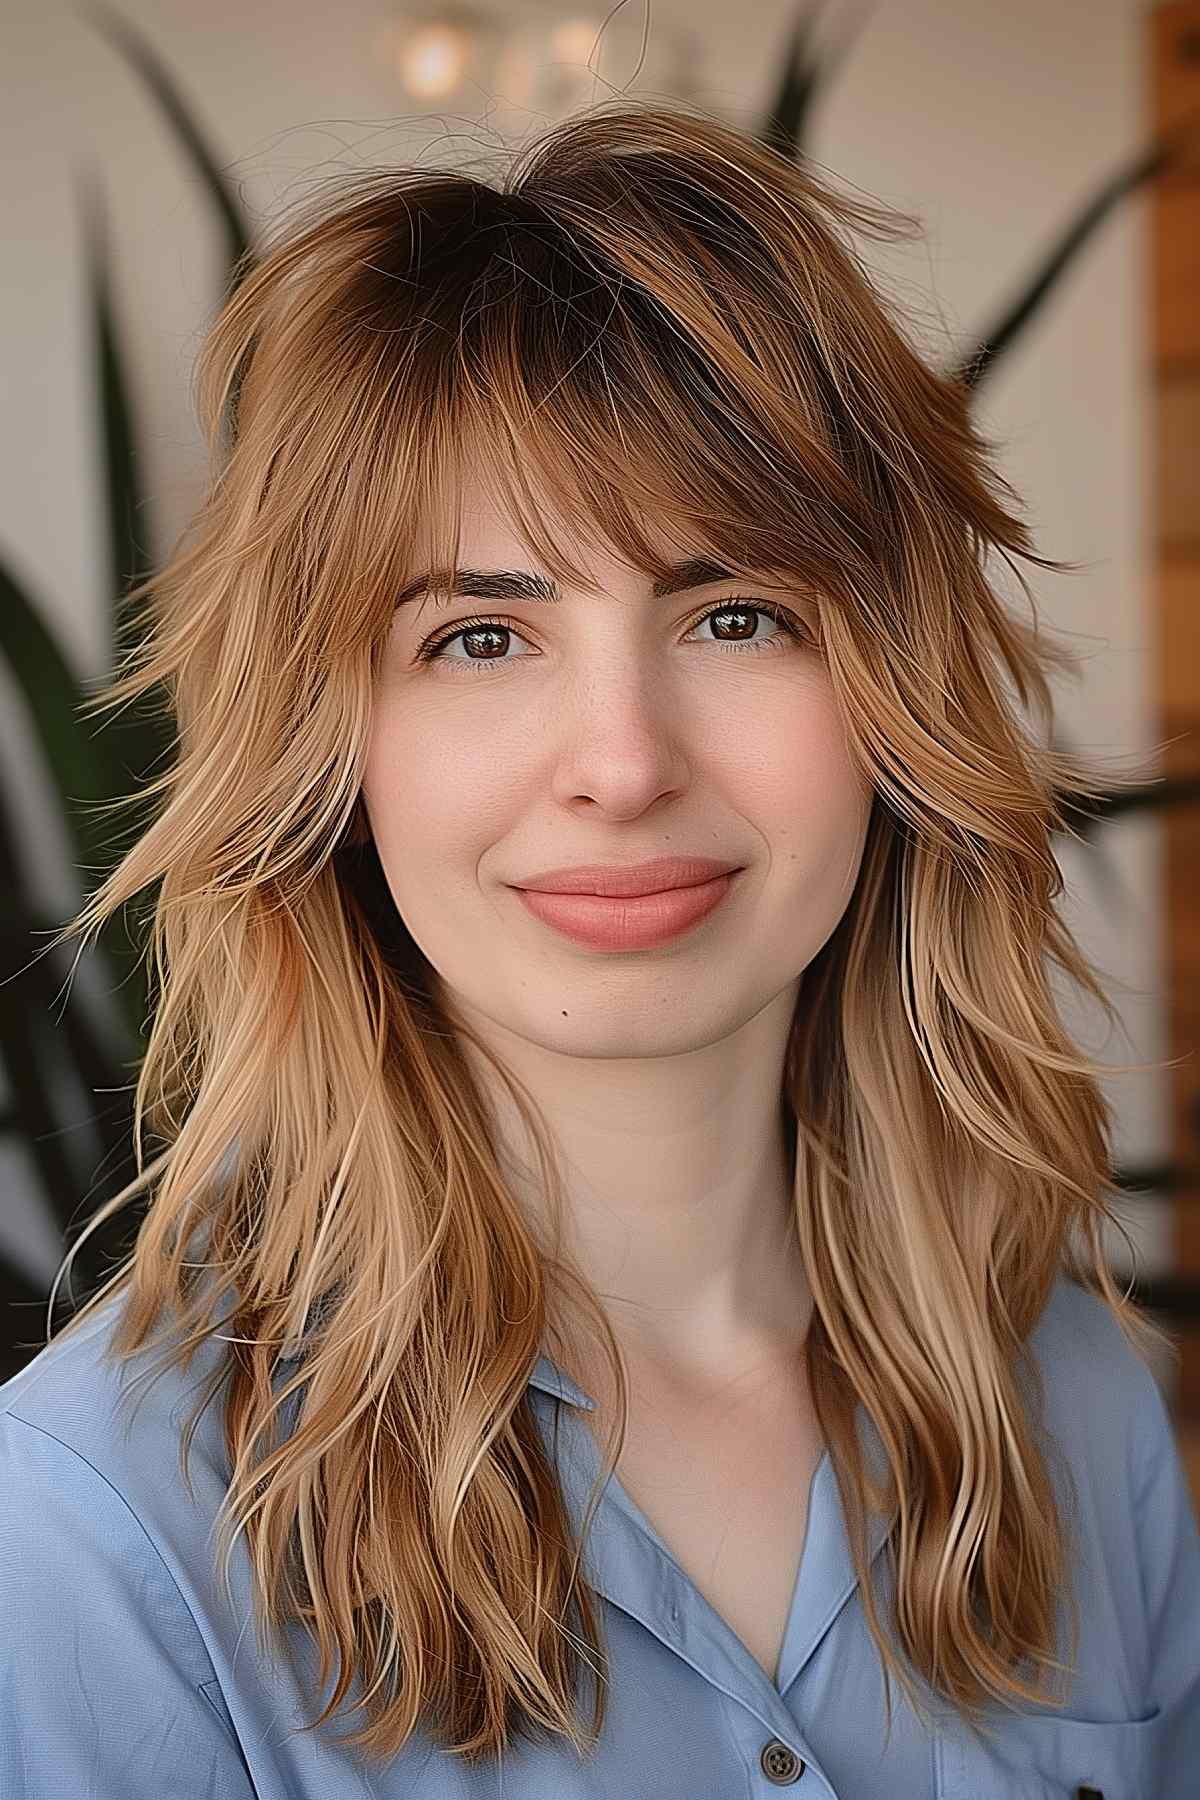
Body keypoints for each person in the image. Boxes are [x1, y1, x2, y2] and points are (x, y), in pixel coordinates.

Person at [2, 98, 1197, 1799]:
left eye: (735, 615)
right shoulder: (97, 1531)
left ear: (894, 701)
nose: (624, 764)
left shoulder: (1078, 1411)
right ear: (334, 762)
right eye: (482, 635)